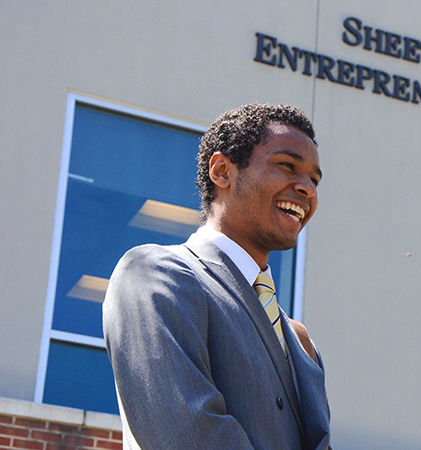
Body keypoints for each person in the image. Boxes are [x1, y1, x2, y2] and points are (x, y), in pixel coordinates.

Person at [103, 104, 331, 449]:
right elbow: (185, 434)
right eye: (287, 167)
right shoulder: (155, 275)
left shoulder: (299, 341)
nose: (307, 189)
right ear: (222, 171)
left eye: (314, 180)